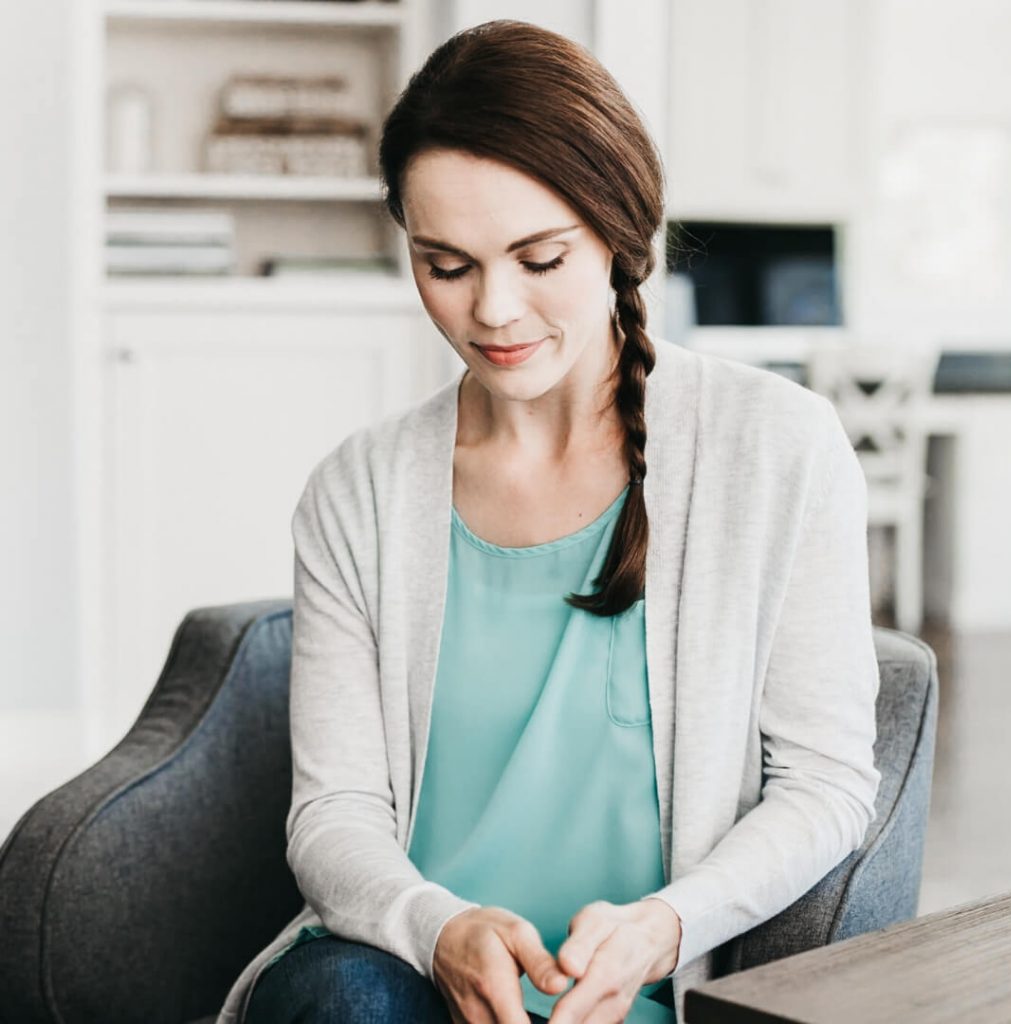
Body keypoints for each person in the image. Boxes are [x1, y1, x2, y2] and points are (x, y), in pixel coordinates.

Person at [218, 18, 881, 1024]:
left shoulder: (777, 449)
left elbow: (826, 783)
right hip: (394, 979)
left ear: (617, 231)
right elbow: (333, 813)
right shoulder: (357, 490)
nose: (492, 310)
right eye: (446, 265)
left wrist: (665, 923)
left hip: (632, 996)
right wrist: (437, 927)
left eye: (538, 258)